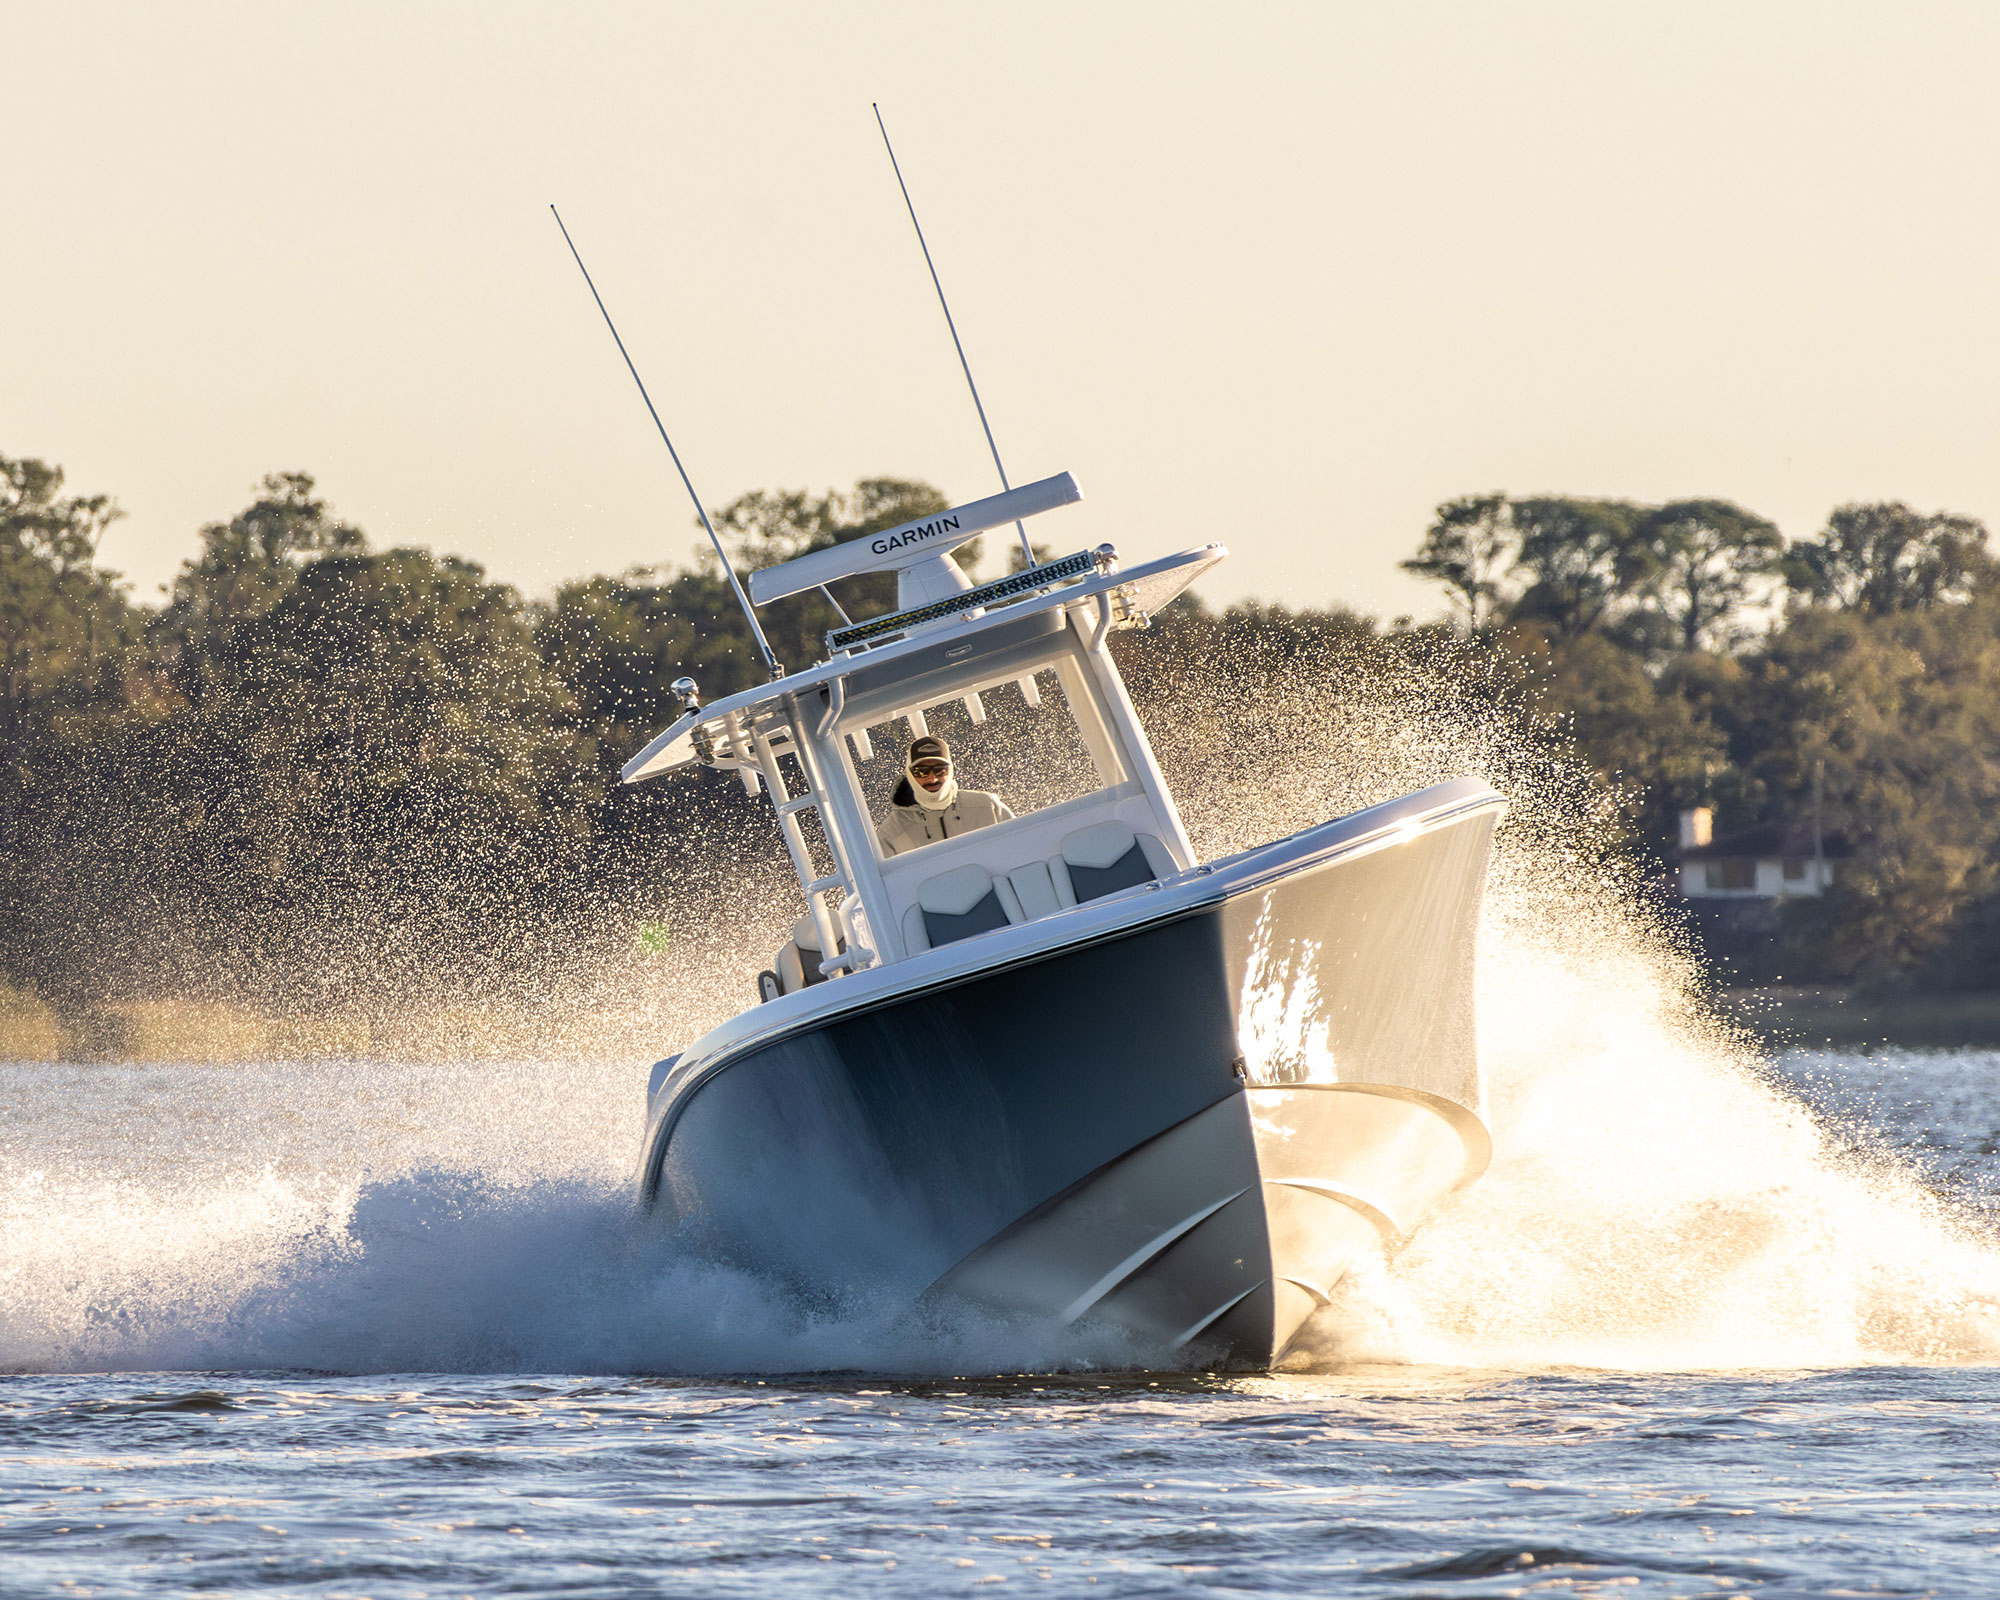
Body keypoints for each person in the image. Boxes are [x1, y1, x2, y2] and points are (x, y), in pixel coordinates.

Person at [876, 736, 1013, 857]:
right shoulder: (891, 833)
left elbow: (1020, 847)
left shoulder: (988, 807)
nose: (932, 779)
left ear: (951, 770)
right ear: (910, 774)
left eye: (940, 770)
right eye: (922, 772)